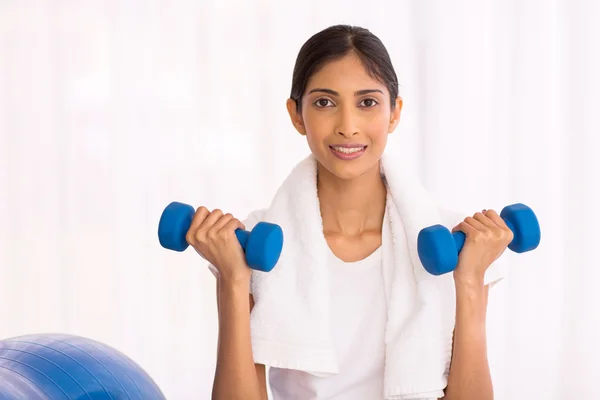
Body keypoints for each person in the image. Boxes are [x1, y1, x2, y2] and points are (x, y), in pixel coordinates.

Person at [186, 25, 512, 400]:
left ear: (394, 113)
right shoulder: (255, 243)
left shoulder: (455, 243)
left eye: (367, 102)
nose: (347, 126)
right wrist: (232, 280)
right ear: (296, 114)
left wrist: (469, 281)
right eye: (325, 102)